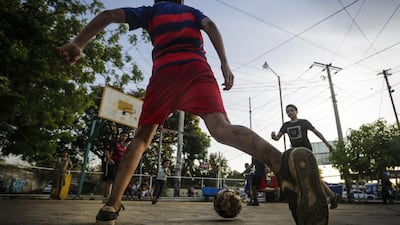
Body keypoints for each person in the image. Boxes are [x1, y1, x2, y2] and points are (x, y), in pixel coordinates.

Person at [58, 1, 328, 224]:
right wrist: (224, 63)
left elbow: (108, 15)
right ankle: (281, 162)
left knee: (142, 138)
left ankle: (111, 205)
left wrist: (79, 42)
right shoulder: (192, 13)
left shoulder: (150, 12)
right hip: (196, 67)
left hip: (165, 71)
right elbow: (210, 26)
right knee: (221, 128)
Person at [271, 104, 338, 209]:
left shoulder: (304, 122)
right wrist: (273, 136)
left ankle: (328, 196)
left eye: (292, 110)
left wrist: (327, 144)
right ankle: (330, 196)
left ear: (296, 111)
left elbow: (317, 133)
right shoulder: (286, 125)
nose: (290, 113)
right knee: (301, 175)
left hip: (306, 152)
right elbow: (277, 138)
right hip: (294, 153)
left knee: (310, 175)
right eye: (288, 112)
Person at [103, 132, 129, 199]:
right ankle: (106, 196)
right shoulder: (113, 142)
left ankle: (113, 197)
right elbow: (106, 151)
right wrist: (109, 159)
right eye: (123, 135)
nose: (124, 137)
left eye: (126, 136)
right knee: (109, 179)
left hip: (120, 164)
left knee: (117, 180)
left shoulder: (125, 145)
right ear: (120, 135)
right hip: (112, 162)